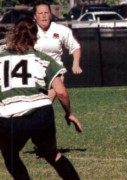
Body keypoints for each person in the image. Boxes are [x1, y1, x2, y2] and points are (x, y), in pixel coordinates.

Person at [0, 17, 81, 179]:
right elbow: (61, 92)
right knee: (52, 154)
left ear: (15, 34)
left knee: (10, 156)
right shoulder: (43, 58)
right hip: (41, 113)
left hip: (11, 117)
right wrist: (69, 113)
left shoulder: (1, 58)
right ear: (36, 37)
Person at [33, 0, 82, 102]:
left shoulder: (61, 30)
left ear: (50, 15)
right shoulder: (29, 31)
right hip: (34, 73)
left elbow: (75, 47)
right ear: (35, 16)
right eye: (40, 13)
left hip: (54, 72)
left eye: (46, 13)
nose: (44, 16)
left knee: (45, 103)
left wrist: (76, 63)